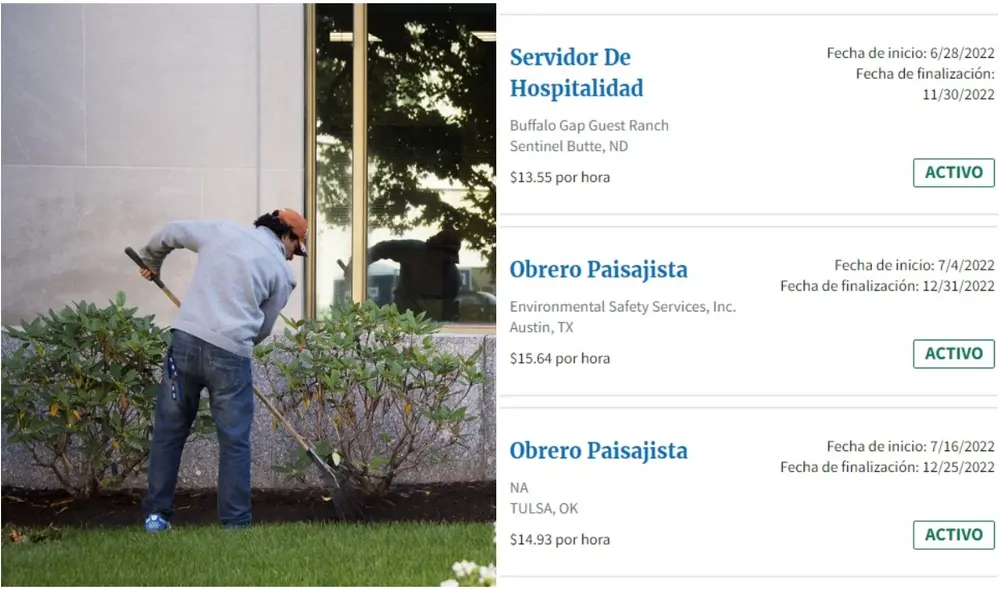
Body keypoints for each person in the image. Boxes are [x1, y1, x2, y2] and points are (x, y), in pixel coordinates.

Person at [136, 209, 307, 532]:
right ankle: (235, 523)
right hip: (230, 355)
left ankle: (156, 517)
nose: (291, 257)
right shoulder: (283, 276)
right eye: (295, 249)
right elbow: (263, 328)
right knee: (234, 441)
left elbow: (172, 230)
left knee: (169, 432)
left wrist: (151, 261)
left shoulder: (221, 230)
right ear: (287, 236)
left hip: (185, 344)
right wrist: (236, 343)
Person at [351, 229, 462, 321]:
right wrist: (355, 266)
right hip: (402, 312)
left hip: (429, 321)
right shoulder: (414, 250)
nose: (442, 263)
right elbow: (381, 249)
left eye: (448, 260)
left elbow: (448, 312)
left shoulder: (452, 278)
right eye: (442, 258)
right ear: (433, 250)